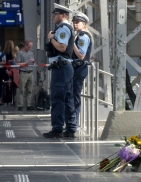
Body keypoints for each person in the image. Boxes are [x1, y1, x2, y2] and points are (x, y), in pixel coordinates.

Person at [43, 3, 77, 138]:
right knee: (68, 98)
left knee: (57, 98)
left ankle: (57, 129)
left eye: (55, 15)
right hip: (65, 67)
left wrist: (51, 39)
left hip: (61, 67)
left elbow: (62, 47)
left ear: (63, 15)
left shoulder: (63, 28)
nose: (53, 17)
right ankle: (70, 128)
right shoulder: (65, 28)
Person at [70, 11, 93, 124]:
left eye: (77, 22)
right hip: (77, 68)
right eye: (74, 22)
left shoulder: (83, 36)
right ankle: (72, 121)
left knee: (75, 96)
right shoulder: (79, 35)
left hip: (79, 68)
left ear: (84, 24)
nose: (75, 24)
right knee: (73, 95)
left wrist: (72, 43)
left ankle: (74, 122)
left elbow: (81, 55)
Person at [16, 40, 35, 111]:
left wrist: (32, 62)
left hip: (30, 72)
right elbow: (18, 63)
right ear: (25, 45)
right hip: (23, 72)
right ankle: (20, 105)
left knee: (29, 90)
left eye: (31, 47)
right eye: (29, 47)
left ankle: (28, 104)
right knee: (21, 89)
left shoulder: (31, 53)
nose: (30, 48)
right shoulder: (20, 53)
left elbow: (33, 63)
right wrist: (26, 63)